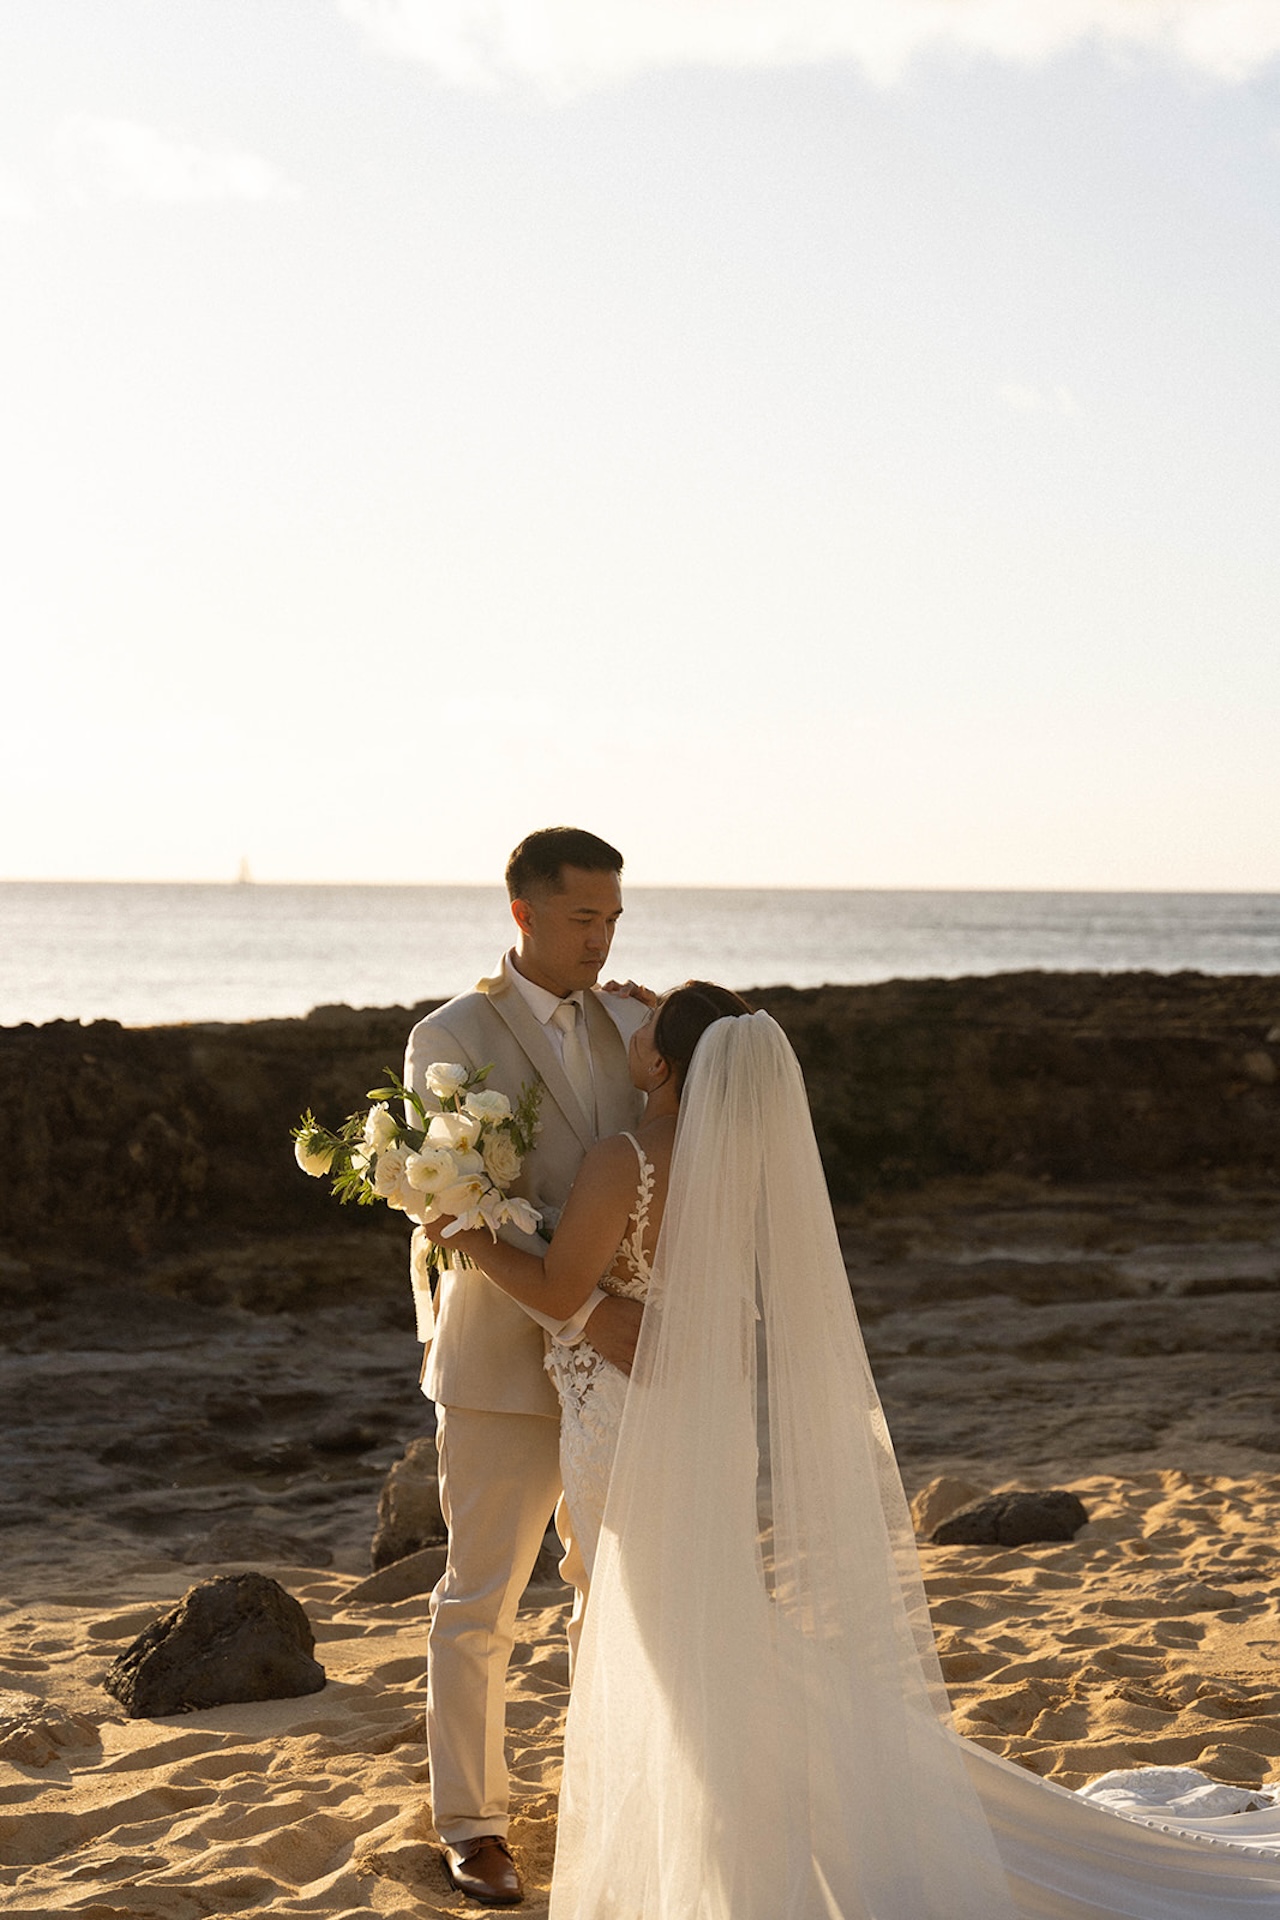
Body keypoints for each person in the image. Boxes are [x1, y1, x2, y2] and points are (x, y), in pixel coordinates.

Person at [433, 999, 1280, 1916]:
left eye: (648, 1031)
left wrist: (470, 1235)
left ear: (667, 1065)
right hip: (698, 1412)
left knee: (672, 1630)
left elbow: (563, 1286)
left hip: (623, 1418)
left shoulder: (624, 1160)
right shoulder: (730, 1165)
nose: (631, 1033)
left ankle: (730, 1855)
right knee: (699, 1619)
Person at [403, 826, 651, 1909]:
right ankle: (471, 1825)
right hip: (505, 1357)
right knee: (481, 1599)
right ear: (524, 915)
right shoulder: (447, 1036)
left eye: (611, 919)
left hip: (620, 1369)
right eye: (580, 919)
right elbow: (452, 1204)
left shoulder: (638, 1023)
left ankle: (614, 1796)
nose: (599, 940)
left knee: (616, 1592)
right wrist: (581, 1299)